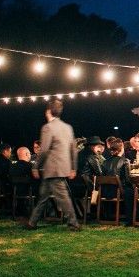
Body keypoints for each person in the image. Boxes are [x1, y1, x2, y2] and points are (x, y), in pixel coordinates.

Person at [25, 98, 80, 231]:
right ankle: (32, 222)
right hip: (62, 167)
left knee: (62, 196)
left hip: (53, 168)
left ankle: (74, 223)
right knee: (43, 196)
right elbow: (74, 149)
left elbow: (43, 150)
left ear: (49, 111)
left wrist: (36, 166)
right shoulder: (68, 127)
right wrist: (73, 167)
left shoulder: (48, 127)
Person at [100, 139, 136, 225]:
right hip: (118, 191)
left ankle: (108, 217)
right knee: (133, 192)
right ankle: (131, 220)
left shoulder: (104, 162)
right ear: (122, 148)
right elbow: (128, 180)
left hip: (106, 192)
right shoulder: (125, 161)